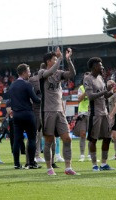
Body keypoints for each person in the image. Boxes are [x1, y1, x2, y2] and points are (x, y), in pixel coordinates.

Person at [39, 47, 78, 176]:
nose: (57, 61)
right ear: (48, 61)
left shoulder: (59, 73)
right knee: (49, 140)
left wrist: (68, 60)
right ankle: (49, 168)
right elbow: (50, 71)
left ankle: (68, 167)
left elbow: (72, 73)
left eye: (57, 59)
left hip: (60, 110)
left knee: (67, 139)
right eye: (54, 59)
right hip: (47, 111)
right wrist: (60, 59)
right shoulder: (42, 72)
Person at [84, 57, 116, 171]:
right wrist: (106, 91)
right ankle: (94, 164)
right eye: (100, 65)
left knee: (107, 138)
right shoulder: (87, 78)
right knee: (93, 139)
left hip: (104, 112)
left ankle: (104, 164)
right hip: (95, 113)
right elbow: (90, 96)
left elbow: (105, 96)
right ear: (94, 66)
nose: (102, 67)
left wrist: (111, 91)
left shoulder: (100, 78)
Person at [9, 64, 41, 169]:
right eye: (28, 71)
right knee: (32, 138)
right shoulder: (27, 85)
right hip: (27, 113)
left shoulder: (12, 85)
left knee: (17, 140)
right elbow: (35, 99)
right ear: (23, 72)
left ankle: (16, 164)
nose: (30, 73)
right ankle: (31, 163)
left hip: (16, 115)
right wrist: (43, 98)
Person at [28, 65, 46, 163]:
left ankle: (38, 155)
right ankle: (35, 155)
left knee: (41, 134)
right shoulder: (33, 80)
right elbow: (30, 95)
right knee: (36, 134)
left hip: (46, 109)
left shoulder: (52, 78)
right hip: (37, 109)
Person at [73, 72, 91, 162]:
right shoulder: (81, 88)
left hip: (92, 113)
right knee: (82, 134)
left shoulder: (94, 87)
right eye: (84, 78)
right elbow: (79, 99)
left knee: (92, 135)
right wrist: (86, 92)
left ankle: (90, 154)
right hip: (83, 113)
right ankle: (82, 155)